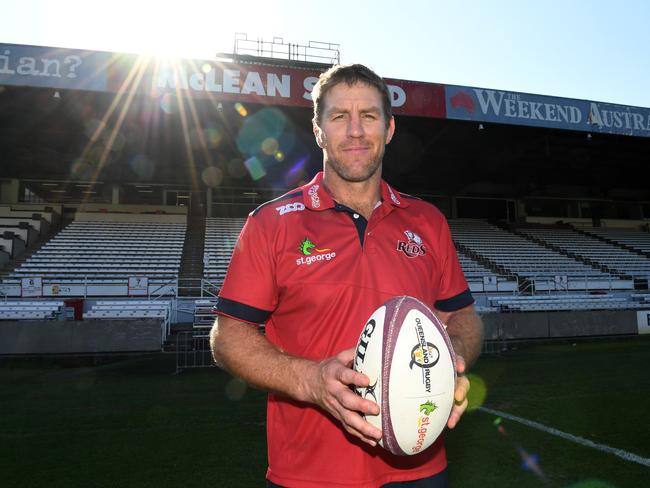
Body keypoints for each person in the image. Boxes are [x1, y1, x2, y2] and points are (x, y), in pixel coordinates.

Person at [211, 63, 483, 488]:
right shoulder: (271, 223)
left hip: (420, 465)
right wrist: (312, 380)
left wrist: (452, 360)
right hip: (309, 474)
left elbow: (463, 317)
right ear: (319, 130)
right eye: (340, 117)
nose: (355, 131)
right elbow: (228, 337)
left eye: (369, 116)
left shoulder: (428, 221)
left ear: (389, 129)